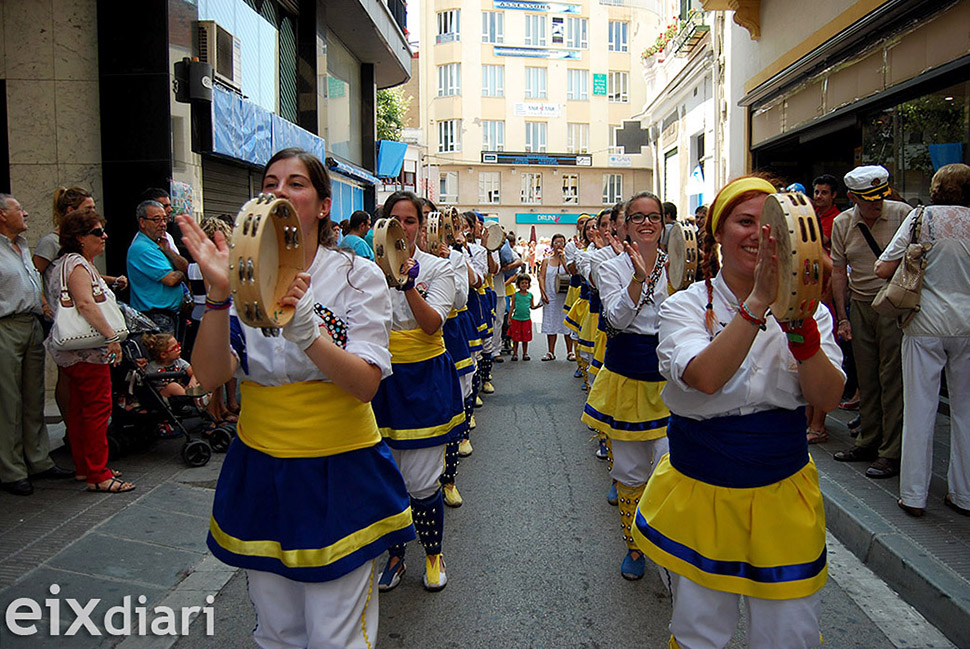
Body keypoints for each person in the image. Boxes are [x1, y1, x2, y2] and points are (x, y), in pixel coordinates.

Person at [177, 148, 413, 648]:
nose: (279, 191)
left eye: (296, 183)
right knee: (277, 632)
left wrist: (307, 332)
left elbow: (366, 383)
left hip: (340, 467)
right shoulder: (246, 277)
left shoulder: (356, 275)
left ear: (323, 205)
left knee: (335, 636)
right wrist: (220, 296)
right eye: (270, 182)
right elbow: (209, 373)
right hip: (263, 466)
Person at [635, 176, 845, 648]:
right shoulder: (682, 306)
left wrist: (801, 326)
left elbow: (827, 399)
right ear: (718, 235)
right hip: (702, 489)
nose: (759, 234)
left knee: (790, 634)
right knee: (700, 633)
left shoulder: (811, 312)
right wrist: (758, 303)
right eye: (745, 222)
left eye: (769, 223)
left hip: (783, 491)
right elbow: (705, 378)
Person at [372, 191, 464, 593]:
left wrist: (408, 284)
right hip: (381, 380)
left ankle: (432, 554)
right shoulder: (366, 271)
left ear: (420, 226)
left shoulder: (440, 268)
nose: (403, 228)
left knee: (423, 481)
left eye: (410, 221)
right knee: (386, 475)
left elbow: (431, 325)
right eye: (395, 219)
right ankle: (395, 556)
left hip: (425, 378)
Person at [581, 192, 671, 580]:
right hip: (626, 377)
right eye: (638, 217)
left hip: (670, 380)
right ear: (623, 224)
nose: (646, 223)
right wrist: (638, 278)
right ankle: (634, 547)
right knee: (631, 473)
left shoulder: (679, 264)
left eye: (654, 216)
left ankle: (665, 539)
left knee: (672, 468)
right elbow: (616, 318)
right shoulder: (609, 266)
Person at [874, 163, 970, 518]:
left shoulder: (921, 218)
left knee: (919, 408)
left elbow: (883, 269)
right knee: (966, 412)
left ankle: (914, 495)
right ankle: (964, 495)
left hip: (924, 322)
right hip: (967, 326)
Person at [45, 207, 135, 493]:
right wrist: (111, 337)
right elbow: (85, 304)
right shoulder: (77, 265)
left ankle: (88, 468)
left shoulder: (65, 263)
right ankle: (99, 473)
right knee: (97, 410)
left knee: (81, 410)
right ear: (80, 238)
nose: (105, 236)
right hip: (87, 351)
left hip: (71, 353)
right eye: (98, 232)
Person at [830, 165, 912, 479]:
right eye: (869, 200)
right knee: (866, 379)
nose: (877, 205)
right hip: (861, 305)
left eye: (881, 197)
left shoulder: (902, 213)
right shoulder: (842, 223)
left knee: (892, 379)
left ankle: (890, 451)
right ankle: (868, 440)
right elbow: (839, 272)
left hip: (893, 305)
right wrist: (842, 317)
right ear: (853, 198)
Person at [0, 194, 73, 496]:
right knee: (9, 401)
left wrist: (43, 307)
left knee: (33, 397)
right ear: (2, 215)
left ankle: (38, 459)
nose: (26, 213)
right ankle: (11, 469)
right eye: (20, 209)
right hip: (6, 326)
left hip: (31, 324)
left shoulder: (22, 247)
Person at [127, 200, 187, 339]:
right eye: (156, 220)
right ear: (142, 222)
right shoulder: (142, 248)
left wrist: (169, 251)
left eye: (164, 219)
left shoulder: (160, 243)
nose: (162, 224)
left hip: (170, 315)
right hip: (156, 317)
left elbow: (184, 266)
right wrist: (182, 275)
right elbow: (171, 279)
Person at [538, 233, 573, 361]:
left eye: (562, 242)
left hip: (564, 297)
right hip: (550, 295)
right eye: (557, 242)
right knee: (550, 323)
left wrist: (563, 259)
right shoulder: (546, 260)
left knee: (566, 324)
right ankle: (550, 351)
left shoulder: (567, 259)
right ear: (552, 245)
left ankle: (570, 352)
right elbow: (541, 276)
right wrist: (542, 292)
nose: (559, 245)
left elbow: (570, 273)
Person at [141, 332, 197, 399]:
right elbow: (144, 385)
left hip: (180, 390)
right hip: (162, 395)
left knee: (200, 380)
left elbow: (193, 372)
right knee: (173, 386)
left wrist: (192, 382)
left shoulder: (179, 361)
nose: (179, 348)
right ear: (163, 355)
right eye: (175, 348)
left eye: (178, 345)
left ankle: (198, 398)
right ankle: (191, 398)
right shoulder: (151, 367)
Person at [509, 274, 540, 361]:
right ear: (519, 284)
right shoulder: (515, 295)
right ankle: (515, 354)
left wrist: (538, 306)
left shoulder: (530, 295)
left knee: (525, 338)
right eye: (522, 283)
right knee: (515, 338)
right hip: (516, 319)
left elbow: (532, 306)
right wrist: (509, 318)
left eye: (526, 283)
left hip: (526, 319)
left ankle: (525, 353)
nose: (524, 285)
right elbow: (512, 307)